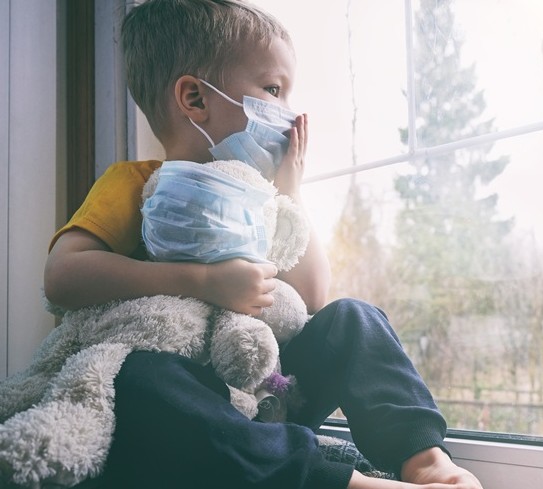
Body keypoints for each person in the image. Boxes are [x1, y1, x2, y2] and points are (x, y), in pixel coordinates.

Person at [43, 1, 484, 488]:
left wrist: (288, 193)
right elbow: (63, 276)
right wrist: (204, 281)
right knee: (139, 379)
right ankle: (336, 481)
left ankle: (425, 461)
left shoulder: (264, 198)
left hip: (268, 391)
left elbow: (315, 297)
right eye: (273, 90)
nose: (288, 112)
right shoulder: (136, 183)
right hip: (192, 409)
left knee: (355, 318)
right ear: (195, 98)